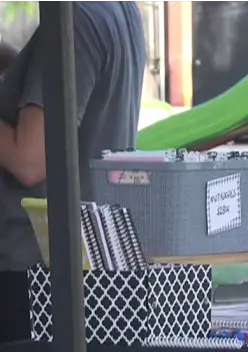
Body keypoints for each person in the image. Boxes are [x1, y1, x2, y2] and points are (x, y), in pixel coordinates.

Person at [0, 0, 145, 271]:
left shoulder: (72, 21)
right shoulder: (118, 9)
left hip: (35, 269)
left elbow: (29, 161)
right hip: (88, 256)